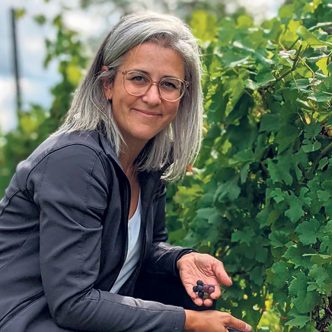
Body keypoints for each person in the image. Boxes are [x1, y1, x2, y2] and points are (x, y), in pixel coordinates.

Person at [0, 12, 252, 332]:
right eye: (138, 79)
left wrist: (179, 259)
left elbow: (142, 251)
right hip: (25, 323)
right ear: (107, 85)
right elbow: (72, 303)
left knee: (183, 293)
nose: (152, 97)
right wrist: (187, 321)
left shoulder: (148, 162)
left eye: (169, 84)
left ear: (182, 97)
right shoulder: (77, 161)